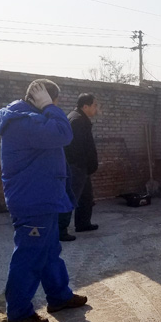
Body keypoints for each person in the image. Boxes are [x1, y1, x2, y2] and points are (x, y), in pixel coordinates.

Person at [0, 79, 88, 322]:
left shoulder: (29, 120)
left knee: (49, 252)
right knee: (29, 256)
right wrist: (49, 107)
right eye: (53, 101)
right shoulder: (24, 121)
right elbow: (64, 133)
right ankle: (18, 312)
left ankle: (59, 296)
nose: (54, 106)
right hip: (32, 200)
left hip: (41, 198)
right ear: (43, 99)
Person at [59, 93, 99, 241]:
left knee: (86, 197)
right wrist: (80, 165)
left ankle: (83, 223)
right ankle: (60, 230)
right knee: (71, 197)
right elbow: (74, 148)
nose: (96, 108)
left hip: (82, 168)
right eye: (95, 105)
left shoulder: (79, 118)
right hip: (76, 167)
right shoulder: (77, 120)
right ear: (85, 106)